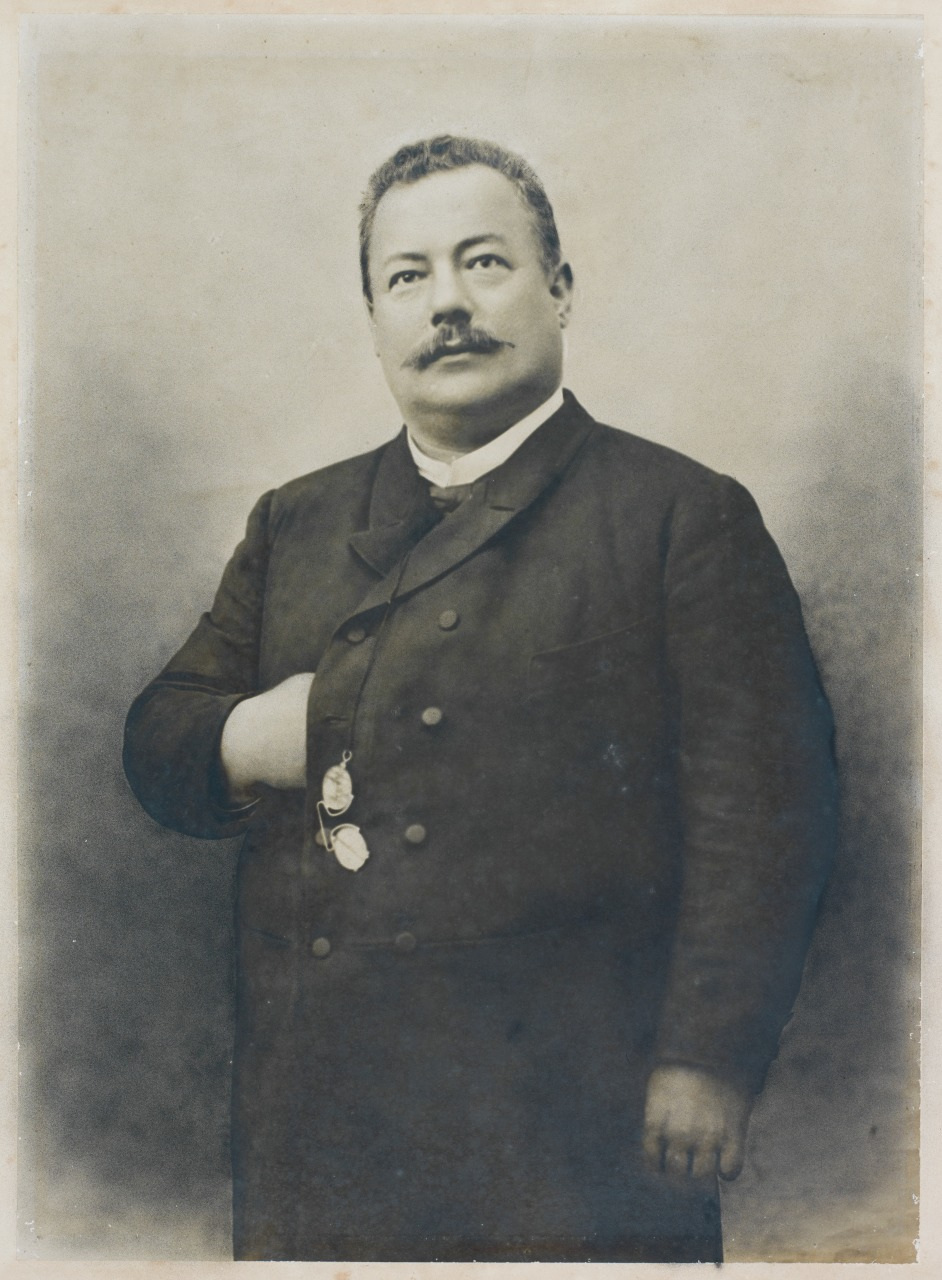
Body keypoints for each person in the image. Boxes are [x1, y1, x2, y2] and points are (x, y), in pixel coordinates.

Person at [123, 134, 838, 1263]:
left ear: (559, 291)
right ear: (374, 317)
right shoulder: (295, 521)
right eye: (408, 277)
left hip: (569, 1110)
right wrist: (257, 734)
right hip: (323, 1105)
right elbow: (158, 738)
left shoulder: (678, 515)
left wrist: (707, 1056)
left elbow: (768, 816)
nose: (446, 304)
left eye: (484, 264)